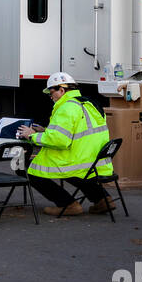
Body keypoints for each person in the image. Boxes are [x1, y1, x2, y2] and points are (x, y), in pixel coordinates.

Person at [16, 71, 113, 216]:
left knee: (25, 168)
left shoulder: (65, 108)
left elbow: (59, 140)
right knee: (78, 170)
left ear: (62, 90)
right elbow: (74, 132)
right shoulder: (90, 103)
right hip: (95, 161)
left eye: (51, 92)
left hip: (77, 160)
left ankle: (67, 204)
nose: (50, 96)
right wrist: (46, 131)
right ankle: (102, 199)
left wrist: (32, 136)